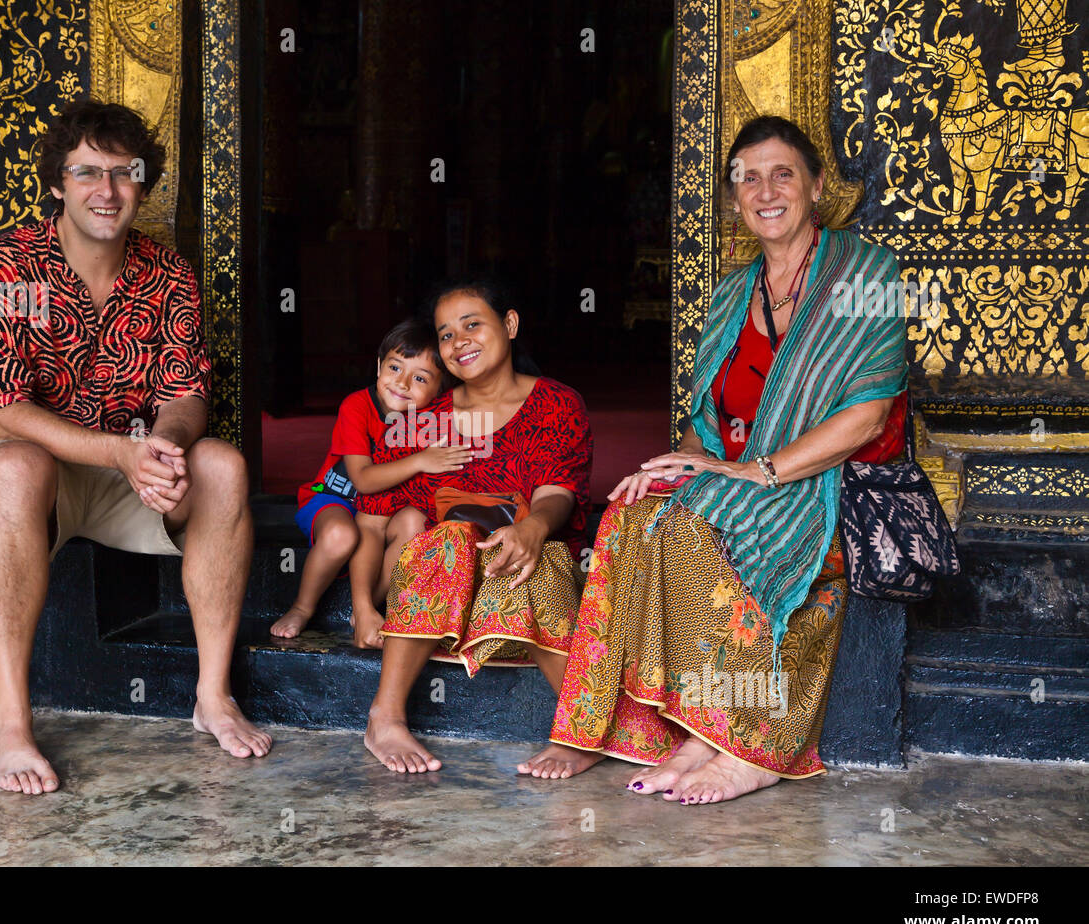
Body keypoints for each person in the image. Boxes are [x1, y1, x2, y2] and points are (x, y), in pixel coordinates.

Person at [519, 115, 909, 804]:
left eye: (782, 173)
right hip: (739, 483)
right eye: (747, 178)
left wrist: (757, 471)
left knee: (689, 528)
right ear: (734, 200)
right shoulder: (733, 294)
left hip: (829, 486)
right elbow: (708, 429)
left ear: (816, 186)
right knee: (630, 517)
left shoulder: (865, 272)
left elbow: (868, 414)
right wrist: (683, 463)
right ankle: (660, 730)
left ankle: (740, 745)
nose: (765, 190)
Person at [0, 99, 270, 796]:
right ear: (57, 183)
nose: (108, 191)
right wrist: (119, 453)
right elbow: (3, 411)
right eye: (89, 173)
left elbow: (187, 392)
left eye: (126, 174)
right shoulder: (7, 264)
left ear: (143, 186)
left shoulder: (167, 273)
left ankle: (212, 695)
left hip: (127, 470)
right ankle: (10, 723)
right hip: (29, 474)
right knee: (17, 463)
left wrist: (164, 443)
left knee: (222, 464)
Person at [357, 278, 593, 772]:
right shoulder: (425, 419)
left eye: (472, 325)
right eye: (445, 334)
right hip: (439, 611)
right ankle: (385, 717)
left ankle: (578, 732)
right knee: (447, 537)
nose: (458, 341)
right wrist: (362, 603)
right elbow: (375, 509)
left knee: (540, 552)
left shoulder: (557, 404)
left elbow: (557, 492)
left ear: (508, 325)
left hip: (525, 598)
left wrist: (532, 529)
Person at [269, 320, 463, 640]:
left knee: (416, 522)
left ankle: (367, 607)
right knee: (341, 535)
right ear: (378, 366)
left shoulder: (432, 421)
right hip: (334, 499)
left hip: (384, 510)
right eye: (394, 367)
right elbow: (361, 480)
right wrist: (421, 460)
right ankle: (302, 607)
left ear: (440, 390)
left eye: (419, 378)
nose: (401, 383)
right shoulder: (357, 406)